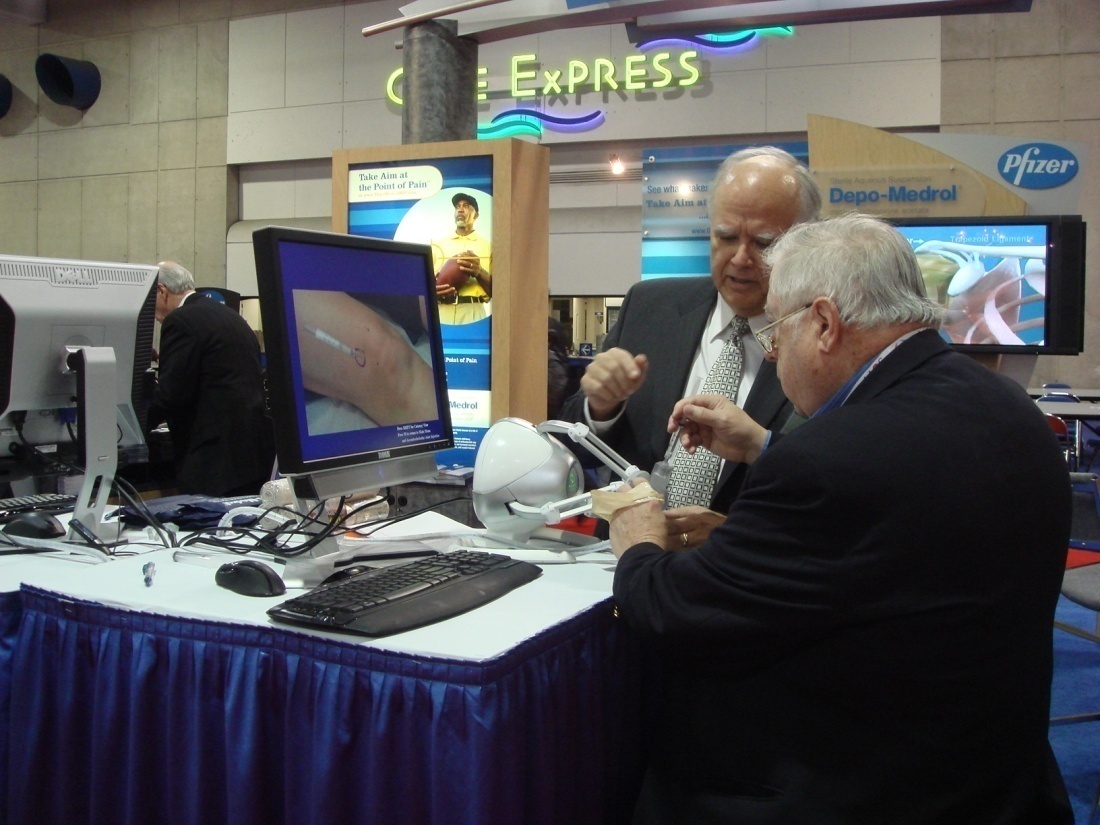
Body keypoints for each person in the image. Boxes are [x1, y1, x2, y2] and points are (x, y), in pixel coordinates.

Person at [608, 214, 1073, 824]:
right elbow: (900, 538)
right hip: (995, 775)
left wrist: (639, 540)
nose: (770, 354)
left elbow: (674, 614)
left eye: (775, 329)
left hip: (857, 786)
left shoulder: (832, 459)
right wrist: (760, 484)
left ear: (824, 324)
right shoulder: (1004, 405)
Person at [560, 146, 821, 546]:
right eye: (726, 237)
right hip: (616, 568)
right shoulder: (650, 308)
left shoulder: (820, 343)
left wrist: (732, 536)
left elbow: (825, 492)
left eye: (765, 243)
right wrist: (600, 407)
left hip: (738, 582)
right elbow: (572, 449)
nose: (740, 258)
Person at [147, 261, 276, 497]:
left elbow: (171, 395)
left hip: (213, 461)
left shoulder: (180, 321)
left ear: (162, 291)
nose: (149, 312)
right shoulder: (231, 316)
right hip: (254, 455)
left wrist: (130, 428)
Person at [432, 192, 492, 325]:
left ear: (476, 215)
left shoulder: (489, 247)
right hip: (441, 312)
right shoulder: (437, 245)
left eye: (466, 206)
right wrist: (432, 290)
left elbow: (500, 291)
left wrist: (479, 272)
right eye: (457, 206)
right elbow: (424, 286)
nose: (460, 209)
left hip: (473, 312)